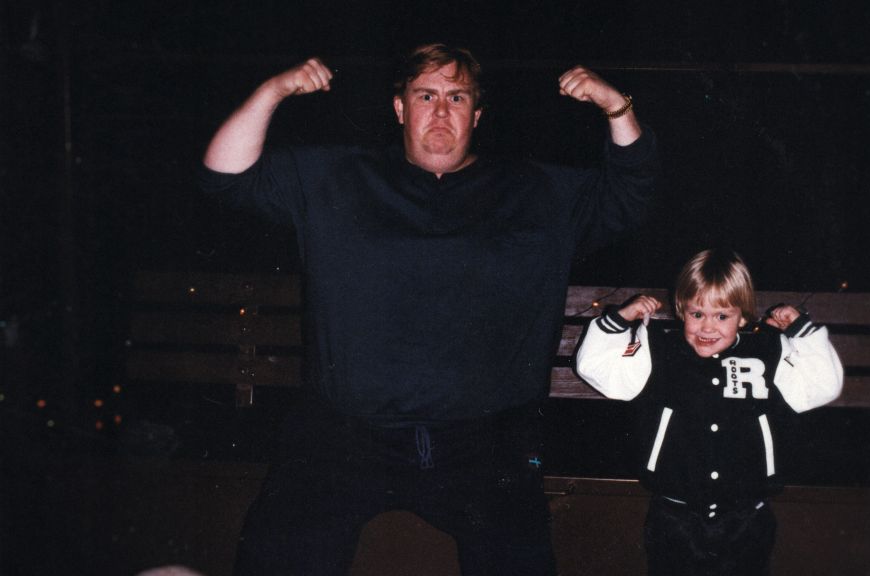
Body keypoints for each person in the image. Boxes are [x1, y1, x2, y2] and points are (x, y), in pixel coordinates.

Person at [199, 43, 658, 576]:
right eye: (426, 95)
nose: (441, 111)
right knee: (276, 554)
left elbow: (633, 190)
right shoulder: (338, 177)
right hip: (346, 432)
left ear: (477, 115)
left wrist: (616, 108)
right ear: (400, 108)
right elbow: (223, 175)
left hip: (487, 439)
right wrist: (274, 90)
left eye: (457, 97)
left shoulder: (537, 191)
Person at [575, 249, 843, 576]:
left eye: (722, 316)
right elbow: (595, 368)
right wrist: (621, 319)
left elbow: (823, 385)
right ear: (681, 310)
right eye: (697, 314)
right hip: (674, 514)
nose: (707, 327)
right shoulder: (658, 352)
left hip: (747, 516)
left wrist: (800, 330)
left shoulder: (768, 353)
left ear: (742, 317)